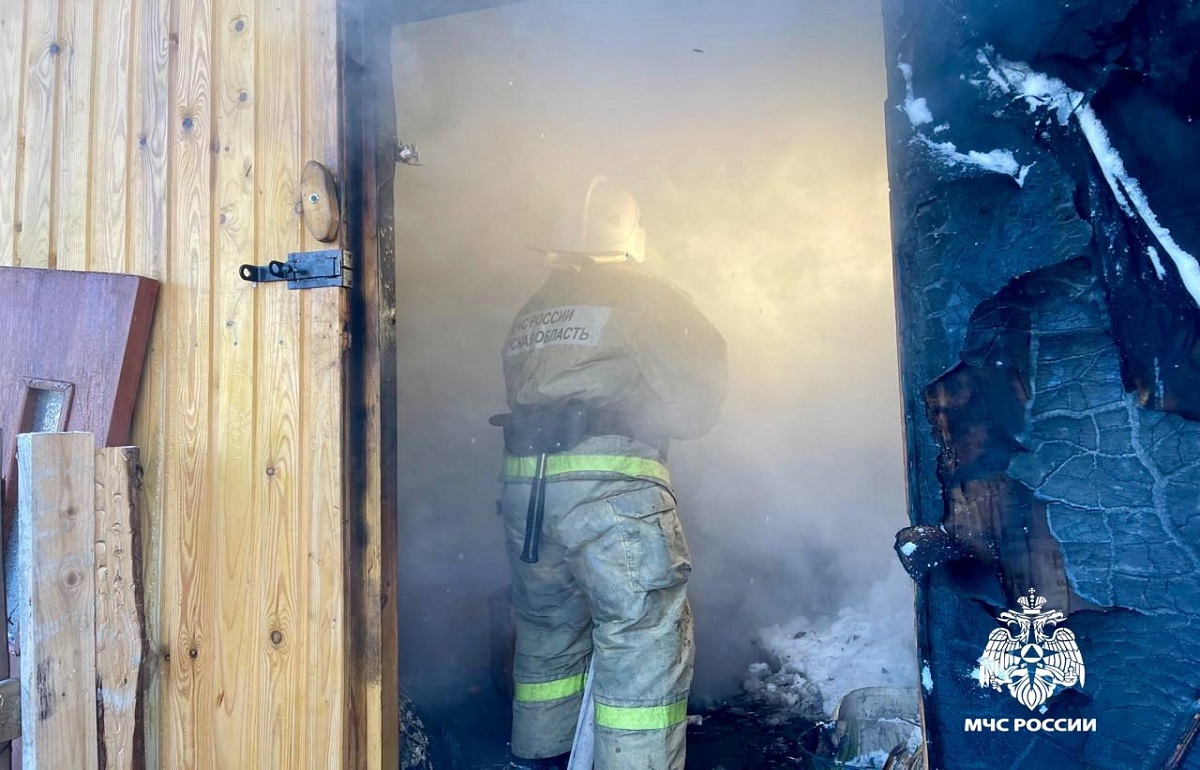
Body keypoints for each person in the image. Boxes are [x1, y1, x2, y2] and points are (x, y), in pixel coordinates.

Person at [493, 177, 728, 769]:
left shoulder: (537, 307)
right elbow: (696, 405)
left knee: (547, 632)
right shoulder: (644, 295)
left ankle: (540, 757)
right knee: (641, 637)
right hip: (610, 491)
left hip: (528, 493)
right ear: (632, 235)